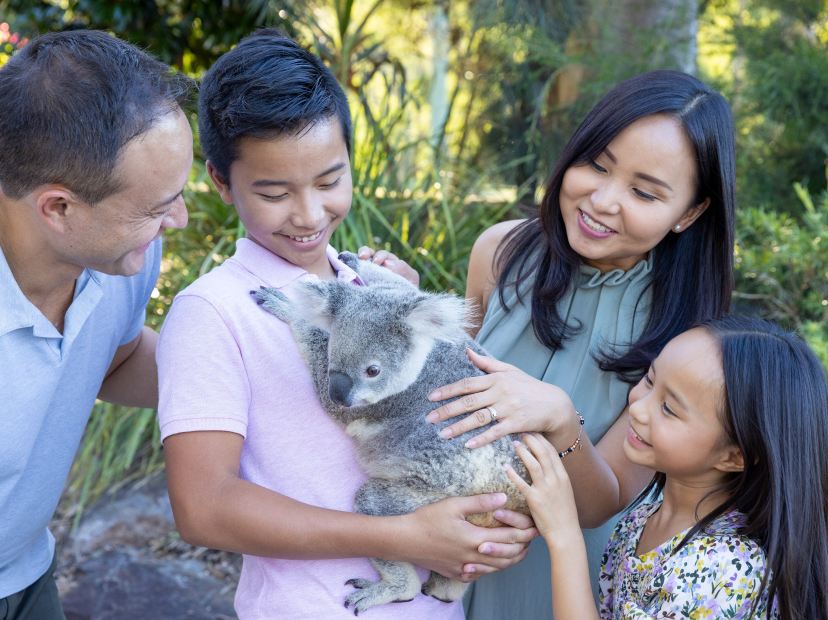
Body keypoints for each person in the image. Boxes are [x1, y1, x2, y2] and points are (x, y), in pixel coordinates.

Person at [156, 29, 534, 620]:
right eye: (275, 192)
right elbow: (204, 508)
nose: (309, 213)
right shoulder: (214, 312)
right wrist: (402, 538)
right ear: (222, 182)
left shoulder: (377, 288)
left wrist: (493, 524)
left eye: (330, 182)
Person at [419, 70, 737, 618]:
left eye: (643, 192)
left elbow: (600, 503)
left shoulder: (685, 335)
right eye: (597, 164)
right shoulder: (499, 252)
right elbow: (440, 401)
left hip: (564, 582)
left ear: (689, 212)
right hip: (449, 553)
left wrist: (561, 421)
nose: (603, 200)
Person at [0, 31, 192, 620]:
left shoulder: (120, 258)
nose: (178, 221)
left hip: (28, 570)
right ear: (58, 208)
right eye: (157, 208)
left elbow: (119, 359)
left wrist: (263, 368)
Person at [507, 316, 828, 619]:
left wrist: (564, 534)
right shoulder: (640, 522)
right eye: (649, 379)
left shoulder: (725, 571)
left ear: (735, 456)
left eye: (669, 408)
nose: (639, 407)